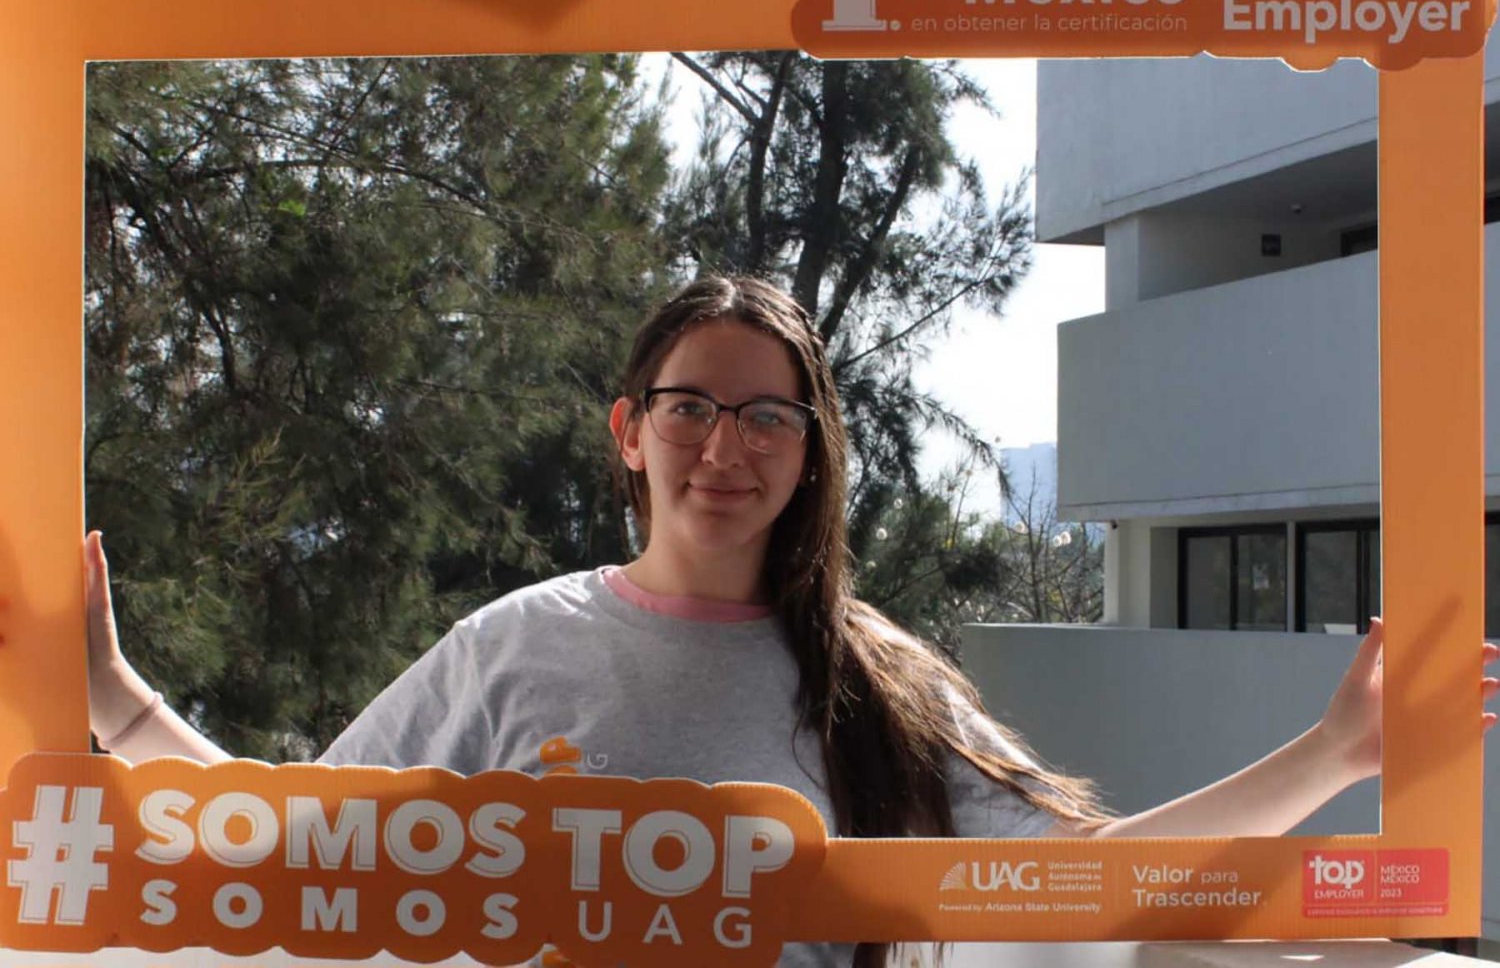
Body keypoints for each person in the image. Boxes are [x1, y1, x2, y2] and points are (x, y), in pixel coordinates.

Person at [82, 275, 1499, 968]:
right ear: (628, 432)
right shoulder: (510, 647)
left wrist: (1333, 756)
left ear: (810, 452)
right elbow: (290, 845)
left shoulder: (882, 680)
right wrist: (113, 699)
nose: (726, 446)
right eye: (690, 406)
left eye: (769, 415)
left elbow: (1088, 886)